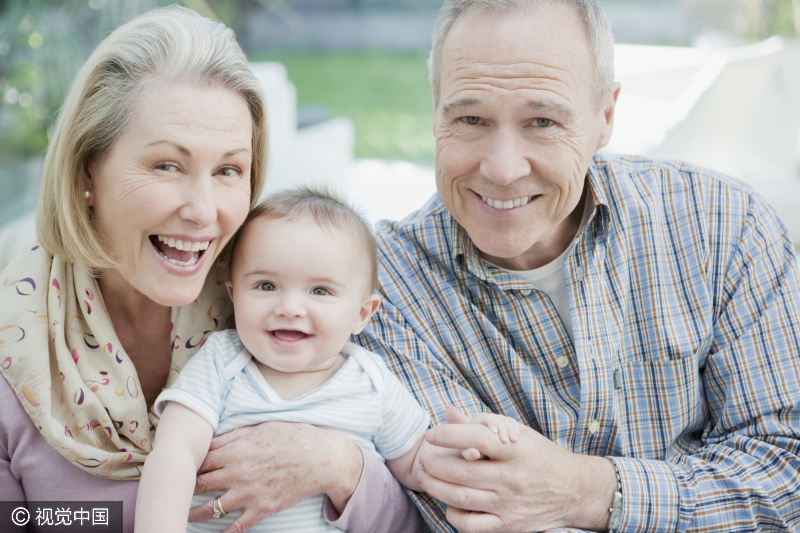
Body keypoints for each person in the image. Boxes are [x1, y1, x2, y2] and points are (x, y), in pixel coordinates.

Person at [354, 0, 800, 532]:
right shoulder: (374, 291)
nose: (501, 168)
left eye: (542, 121)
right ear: (435, 112)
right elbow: (473, 511)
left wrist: (584, 490)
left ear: (605, 117)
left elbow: (785, 473)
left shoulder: (723, 226)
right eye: (470, 119)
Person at [0, 7, 419, 533]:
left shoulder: (284, 299)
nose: (204, 210)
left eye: (228, 170)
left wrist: (337, 466)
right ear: (88, 172)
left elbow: (413, 518)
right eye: (166, 165)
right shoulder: (13, 348)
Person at [134, 188, 523, 532]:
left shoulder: (372, 382)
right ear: (234, 294)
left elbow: (419, 466)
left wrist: (473, 446)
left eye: (319, 291)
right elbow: (175, 453)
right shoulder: (222, 361)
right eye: (266, 285)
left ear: (362, 314)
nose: (289, 307)